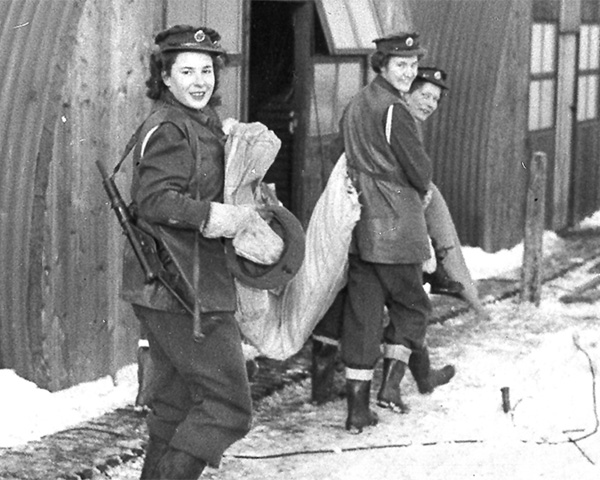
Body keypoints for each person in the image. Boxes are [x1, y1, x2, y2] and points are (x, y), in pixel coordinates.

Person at [121, 25, 276, 479]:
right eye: (185, 70)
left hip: (173, 286)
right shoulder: (170, 127)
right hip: (184, 287)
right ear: (164, 77)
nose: (199, 81)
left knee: (174, 405)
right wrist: (218, 216)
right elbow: (154, 200)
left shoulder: (193, 121)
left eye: (206, 70)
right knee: (229, 406)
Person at [320, 33, 456, 433]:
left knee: (363, 314)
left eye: (413, 65)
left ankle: (357, 410)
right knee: (413, 306)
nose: (408, 72)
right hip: (396, 223)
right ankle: (393, 387)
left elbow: (339, 150)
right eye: (401, 65)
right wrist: (421, 184)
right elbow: (419, 171)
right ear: (382, 64)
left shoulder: (358, 101)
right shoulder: (396, 108)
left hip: (361, 223)